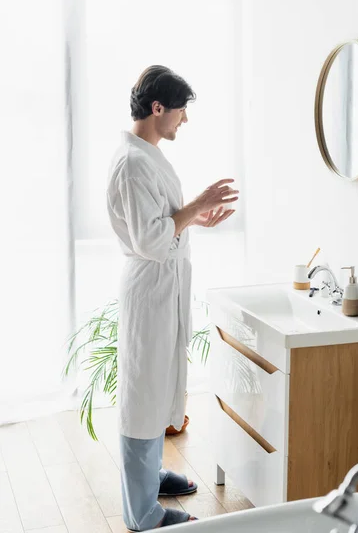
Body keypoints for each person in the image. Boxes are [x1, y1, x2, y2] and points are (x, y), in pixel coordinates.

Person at [106, 65, 239, 531]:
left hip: (163, 286)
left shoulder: (147, 154)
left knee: (159, 383)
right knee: (142, 392)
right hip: (149, 289)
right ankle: (141, 512)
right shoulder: (132, 162)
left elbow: (163, 222)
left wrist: (194, 219)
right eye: (181, 112)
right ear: (158, 108)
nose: (185, 121)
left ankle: (149, 476)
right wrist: (198, 204)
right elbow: (149, 239)